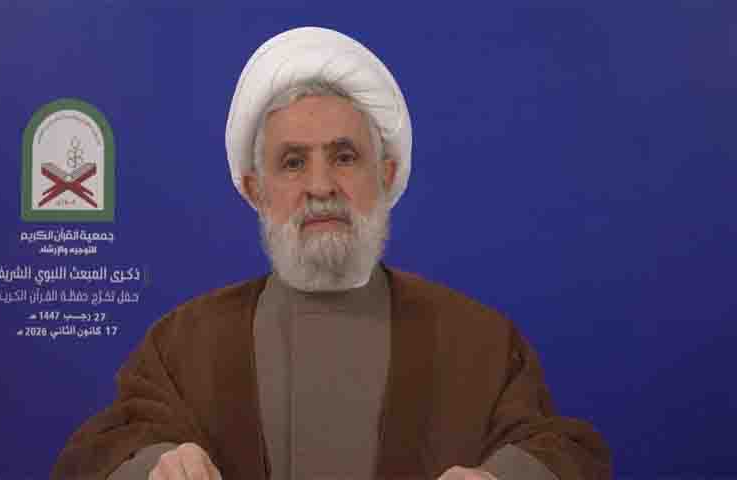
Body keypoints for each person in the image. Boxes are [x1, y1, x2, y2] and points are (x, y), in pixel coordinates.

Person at [52, 27, 611, 480]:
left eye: (344, 157)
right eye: (293, 162)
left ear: (385, 175)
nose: (320, 186)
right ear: (255, 190)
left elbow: (561, 450)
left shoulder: (480, 341)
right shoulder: (183, 346)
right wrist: (157, 466)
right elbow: (103, 450)